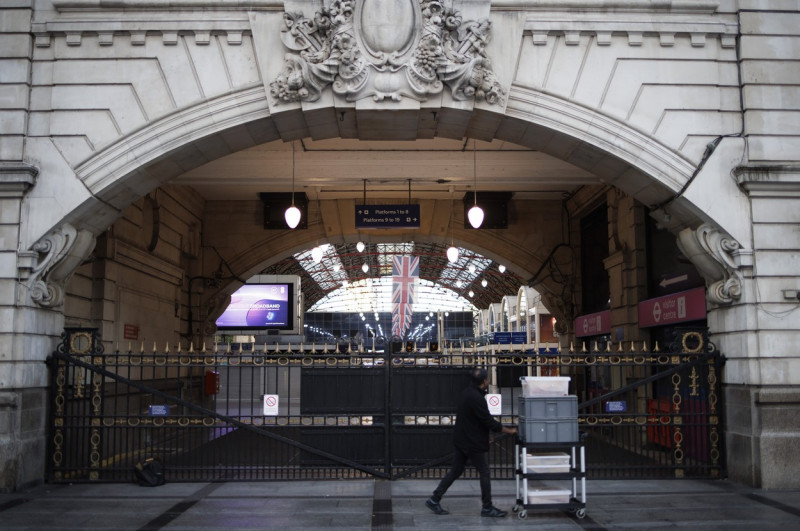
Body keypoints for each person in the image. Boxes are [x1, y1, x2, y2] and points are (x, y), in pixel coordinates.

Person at [425, 367, 517, 517]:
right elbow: (488, 421)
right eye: (487, 378)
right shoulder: (476, 397)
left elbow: (476, 419)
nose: (488, 380)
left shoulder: (468, 393)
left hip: (463, 439)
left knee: (455, 471)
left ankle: (434, 499)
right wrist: (510, 431)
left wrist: (487, 434)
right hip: (472, 442)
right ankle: (487, 507)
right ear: (484, 382)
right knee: (484, 472)